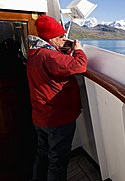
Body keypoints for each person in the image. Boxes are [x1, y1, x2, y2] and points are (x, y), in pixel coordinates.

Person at [27, 15, 88, 181]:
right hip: (57, 119)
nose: (64, 39)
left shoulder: (35, 52)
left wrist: (63, 48)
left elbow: (57, 64)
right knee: (57, 162)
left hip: (40, 117)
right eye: (61, 36)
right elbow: (79, 66)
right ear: (51, 38)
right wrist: (78, 49)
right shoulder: (50, 56)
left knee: (42, 154)